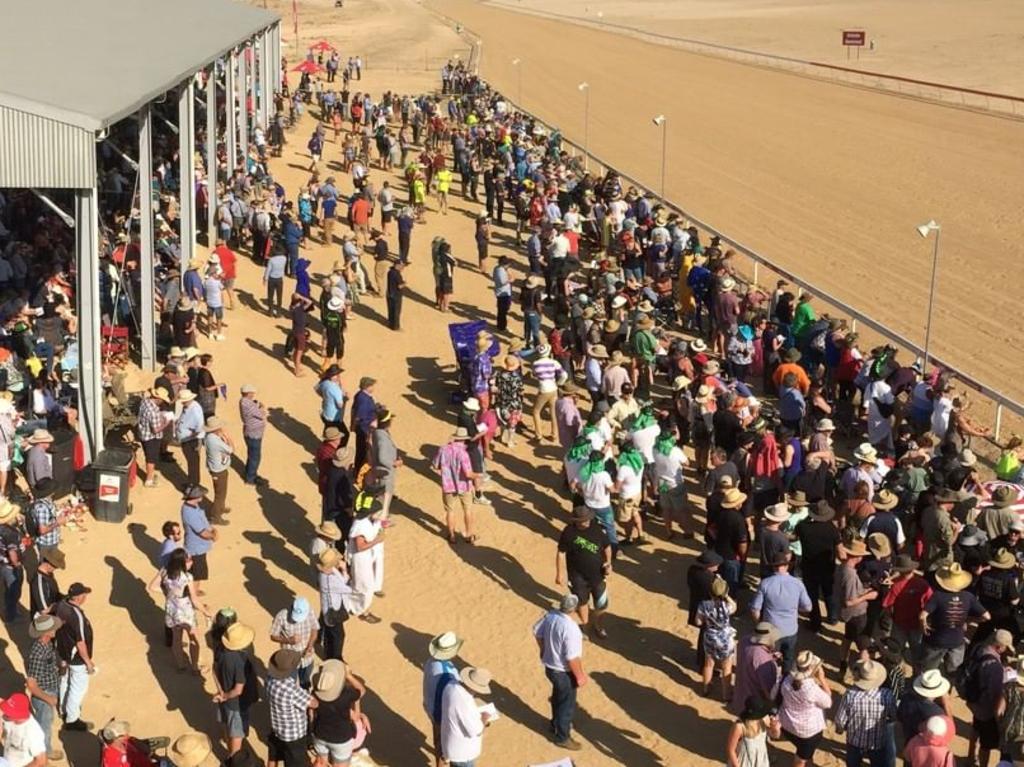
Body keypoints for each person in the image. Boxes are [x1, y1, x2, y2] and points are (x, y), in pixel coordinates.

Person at [533, 594, 586, 752]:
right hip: (564, 672)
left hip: (550, 667)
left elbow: (536, 631)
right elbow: (572, 658)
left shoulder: (550, 616)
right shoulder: (571, 629)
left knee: (557, 696)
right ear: (574, 609)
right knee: (566, 704)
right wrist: (580, 676)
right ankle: (563, 737)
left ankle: (554, 724)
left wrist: (543, 649)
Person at [920, 560, 989, 675]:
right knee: (953, 672)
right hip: (957, 640)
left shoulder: (937, 596)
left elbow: (922, 616)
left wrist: (924, 626)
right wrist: (968, 620)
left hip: (936, 639)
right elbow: (986, 616)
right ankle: (950, 687)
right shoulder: (969, 597)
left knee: (929, 672)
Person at [147, 549, 209, 674]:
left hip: (172, 608)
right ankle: (195, 667)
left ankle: (180, 666)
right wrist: (205, 612)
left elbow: (152, 587)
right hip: (185, 610)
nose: (191, 562)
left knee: (176, 639)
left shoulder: (165, 571)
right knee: (193, 638)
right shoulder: (187, 577)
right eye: (189, 560)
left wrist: (168, 593)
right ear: (182, 562)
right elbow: (194, 599)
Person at [556, 506, 613, 639]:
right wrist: (559, 573)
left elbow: (607, 546)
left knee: (601, 604)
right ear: (576, 520)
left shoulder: (596, 528)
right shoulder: (568, 532)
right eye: (583, 520)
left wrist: (608, 562)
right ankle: (585, 626)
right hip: (577, 576)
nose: (587, 521)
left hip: (598, 574)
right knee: (582, 602)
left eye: (588, 519)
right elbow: (560, 552)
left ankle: (598, 625)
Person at [750, 552, 811, 674]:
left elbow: (755, 609)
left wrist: (760, 624)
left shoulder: (765, 583)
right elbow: (808, 607)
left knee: (770, 660)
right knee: (788, 659)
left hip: (771, 632)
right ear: (787, 566)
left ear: (773, 567)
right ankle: (784, 683)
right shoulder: (798, 584)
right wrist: (795, 609)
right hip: (790, 630)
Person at [834, 659, 897, 767]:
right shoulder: (887, 695)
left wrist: (840, 729)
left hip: (854, 741)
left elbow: (840, 720)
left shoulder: (850, 695)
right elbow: (893, 715)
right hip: (877, 741)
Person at [964, 629, 1013, 767]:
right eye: (1005, 647)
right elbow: (993, 694)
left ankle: (970, 757)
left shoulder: (979, 648)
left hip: (974, 702)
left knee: (975, 730)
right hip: (986, 711)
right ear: (999, 646)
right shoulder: (994, 667)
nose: (1005, 651)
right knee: (987, 743)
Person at [212, 622, 259, 759]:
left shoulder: (220, 649)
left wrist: (221, 692)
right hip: (236, 704)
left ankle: (229, 750)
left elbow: (214, 670)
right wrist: (226, 696)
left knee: (227, 726)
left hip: (225, 700)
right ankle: (233, 760)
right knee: (237, 736)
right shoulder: (239, 661)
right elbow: (238, 690)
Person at [778, 651, 831, 767]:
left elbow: (774, 694)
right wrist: (822, 679)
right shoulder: (811, 689)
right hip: (808, 733)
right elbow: (828, 702)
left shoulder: (786, 680)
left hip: (787, 726)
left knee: (805, 754)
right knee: (800, 760)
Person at [54, 582, 95, 731]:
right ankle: (72, 719)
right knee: (78, 688)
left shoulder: (62, 604)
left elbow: (51, 610)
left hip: (62, 652)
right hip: (76, 658)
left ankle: (63, 710)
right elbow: (80, 642)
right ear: (78, 598)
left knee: (65, 682)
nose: (85, 597)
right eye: (84, 595)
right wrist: (88, 662)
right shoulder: (76, 615)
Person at [311, 659, 368, 767]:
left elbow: (311, 715)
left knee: (320, 763)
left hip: (319, 734)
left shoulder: (315, 694)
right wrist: (349, 676)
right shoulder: (346, 696)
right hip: (341, 739)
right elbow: (362, 690)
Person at [266, 649, 317, 767]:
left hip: (277, 728)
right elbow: (314, 703)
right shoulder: (290, 688)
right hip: (294, 735)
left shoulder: (269, 679)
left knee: (273, 756)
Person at [835, 539, 877, 679]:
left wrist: (862, 590)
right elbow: (849, 601)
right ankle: (864, 676)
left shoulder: (842, 567)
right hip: (857, 614)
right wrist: (867, 596)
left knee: (847, 639)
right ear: (857, 556)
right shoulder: (851, 574)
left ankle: (842, 667)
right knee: (864, 647)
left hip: (848, 615)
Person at [24, 613, 63, 761]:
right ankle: (44, 754)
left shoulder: (47, 644)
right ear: (46, 632)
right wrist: (49, 699)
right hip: (44, 694)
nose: (55, 630)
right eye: (52, 628)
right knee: (44, 726)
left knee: (46, 722)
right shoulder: (37, 653)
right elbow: (31, 684)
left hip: (49, 689)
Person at [432, 427, 481, 545]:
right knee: (467, 510)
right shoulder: (463, 454)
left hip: (448, 486)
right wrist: (479, 475)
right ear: (464, 440)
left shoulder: (443, 449)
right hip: (464, 486)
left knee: (450, 510)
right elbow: (468, 474)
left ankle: (452, 535)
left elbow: (435, 465)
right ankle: (469, 534)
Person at [424, 632, 463, 766]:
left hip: (432, 708)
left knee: (439, 743)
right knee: (445, 748)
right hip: (443, 715)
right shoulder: (448, 674)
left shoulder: (430, 662)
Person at [441, 667, 494, 766]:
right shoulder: (465, 702)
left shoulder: (451, 685)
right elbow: (476, 731)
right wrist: (484, 718)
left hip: (452, 745)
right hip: (462, 753)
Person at [695, 576, 737, 699]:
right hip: (725, 638)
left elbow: (698, 622)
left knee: (708, 664)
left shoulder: (704, 605)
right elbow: (734, 606)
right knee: (726, 667)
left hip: (710, 636)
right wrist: (726, 595)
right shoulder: (726, 606)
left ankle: (706, 688)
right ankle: (726, 695)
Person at [730, 622, 781, 716]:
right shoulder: (763, 661)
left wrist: (771, 656)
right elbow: (769, 692)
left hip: (740, 697)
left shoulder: (744, 641)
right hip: (754, 707)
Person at [270, 597, 319, 690]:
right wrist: (289, 640)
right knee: (290, 685)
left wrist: (310, 646)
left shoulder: (310, 612)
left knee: (305, 683)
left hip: (307, 658)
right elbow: (273, 636)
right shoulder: (281, 616)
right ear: (291, 608)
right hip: (289, 659)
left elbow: (314, 629)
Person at [348, 501, 385, 624]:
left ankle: (360, 608)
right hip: (360, 559)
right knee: (364, 587)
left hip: (366, 557)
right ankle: (360, 610)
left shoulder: (368, 521)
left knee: (363, 585)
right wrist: (377, 540)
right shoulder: (361, 525)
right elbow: (360, 546)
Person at [180, 484, 217, 596]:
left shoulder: (191, 506)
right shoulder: (190, 513)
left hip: (198, 546)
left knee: (197, 572)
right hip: (196, 548)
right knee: (196, 574)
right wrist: (213, 535)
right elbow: (202, 532)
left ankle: (194, 591)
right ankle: (193, 595)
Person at [725, 696, 780, 767]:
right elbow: (731, 750)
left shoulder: (764, 719)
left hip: (761, 761)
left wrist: (775, 729)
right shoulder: (739, 726)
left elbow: (775, 736)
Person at [0, 692, 47, 767]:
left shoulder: (33, 732)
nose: (5, 713)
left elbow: (41, 761)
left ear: (18, 714)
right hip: (7, 761)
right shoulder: (9, 718)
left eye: (9, 711)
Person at [371, 409, 401, 519]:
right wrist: (394, 463)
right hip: (385, 471)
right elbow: (382, 458)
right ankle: (381, 521)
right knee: (384, 498)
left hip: (381, 470)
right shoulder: (382, 438)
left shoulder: (378, 433)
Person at [0, 499, 26, 623]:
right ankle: (11, 616)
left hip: (2, 564)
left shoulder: (2, 528)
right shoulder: (10, 533)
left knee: (8, 590)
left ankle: (12, 610)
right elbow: (12, 553)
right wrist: (17, 565)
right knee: (13, 591)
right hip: (10, 567)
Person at [203, 417, 233, 524]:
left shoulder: (209, 437)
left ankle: (220, 508)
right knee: (220, 494)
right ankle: (215, 516)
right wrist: (227, 438)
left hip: (216, 468)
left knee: (221, 492)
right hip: (218, 470)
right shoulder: (214, 440)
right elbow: (230, 449)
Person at [238, 384, 267, 486]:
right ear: (249, 393)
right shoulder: (248, 404)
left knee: (251, 454)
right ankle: (251, 477)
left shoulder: (244, 401)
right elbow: (261, 414)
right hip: (254, 433)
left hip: (251, 431)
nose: (254, 394)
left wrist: (257, 404)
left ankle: (248, 472)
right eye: (252, 392)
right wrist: (262, 407)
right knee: (255, 456)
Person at [175, 389, 205, 487]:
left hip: (191, 441)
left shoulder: (195, 410)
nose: (182, 402)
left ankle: (194, 485)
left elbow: (199, 427)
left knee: (193, 464)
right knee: (191, 462)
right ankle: (191, 483)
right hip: (186, 439)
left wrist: (192, 436)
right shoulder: (189, 406)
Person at [492, 255, 512, 332]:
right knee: (502, 311)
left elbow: (494, 278)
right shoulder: (501, 271)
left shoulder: (496, 268)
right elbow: (503, 282)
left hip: (500, 292)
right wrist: (510, 279)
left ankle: (500, 325)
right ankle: (502, 327)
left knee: (502, 310)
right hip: (503, 293)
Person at [386, 259, 406, 330]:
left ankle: (390, 323)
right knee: (396, 311)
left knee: (391, 310)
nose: (403, 267)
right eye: (401, 266)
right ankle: (395, 327)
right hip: (396, 295)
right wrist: (404, 283)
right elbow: (400, 286)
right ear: (397, 266)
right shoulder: (397, 274)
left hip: (389, 293)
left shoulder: (390, 272)